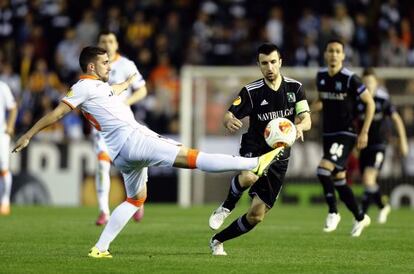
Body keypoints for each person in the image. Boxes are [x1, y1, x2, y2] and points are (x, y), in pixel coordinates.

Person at [13, 46, 283, 258]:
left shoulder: (97, 88)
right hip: (135, 139)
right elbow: (57, 113)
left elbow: (110, 92)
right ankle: (254, 162)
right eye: (106, 63)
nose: (110, 65)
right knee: (193, 158)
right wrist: (28, 134)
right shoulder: (82, 87)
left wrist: (126, 83)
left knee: (136, 199)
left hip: (121, 153)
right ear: (92, 66)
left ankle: (100, 247)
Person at [208, 43, 311, 256]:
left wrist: (298, 127)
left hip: (279, 157)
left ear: (280, 62)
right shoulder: (251, 92)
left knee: (256, 215)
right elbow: (229, 114)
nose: (270, 67)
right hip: (254, 147)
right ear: (259, 65)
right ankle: (226, 207)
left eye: (273, 62)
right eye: (264, 63)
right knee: (247, 177)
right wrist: (228, 120)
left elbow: (306, 119)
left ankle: (218, 240)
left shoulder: (295, 89)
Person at [313, 39, 375, 237]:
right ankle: (360, 217)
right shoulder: (321, 76)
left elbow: (370, 103)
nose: (333, 54)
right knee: (339, 180)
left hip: (346, 133)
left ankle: (333, 212)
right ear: (325, 54)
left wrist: (364, 131)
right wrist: (303, 112)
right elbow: (321, 102)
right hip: (328, 134)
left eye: (337, 51)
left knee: (323, 170)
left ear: (343, 56)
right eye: (330, 50)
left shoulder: (350, 79)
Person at [94, 31, 148, 226]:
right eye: (103, 41)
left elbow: (142, 89)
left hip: (124, 122)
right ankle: (104, 211)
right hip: (101, 124)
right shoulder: (93, 66)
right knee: (102, 164)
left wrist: (127, 102)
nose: (107, 44)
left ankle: (137, 199)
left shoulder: (126, 65)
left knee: (131, 162)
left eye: (110, 41)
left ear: (116, 44)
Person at [358, 68, 408, 223]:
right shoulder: (358, 102)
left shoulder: (382, 101)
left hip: (379, 145)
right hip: (364, 146)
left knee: (368, 178)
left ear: (376, 84)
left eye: (371, 83)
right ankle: (382, 206)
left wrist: (403, 141)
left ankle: (362, 214)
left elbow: (397, 120)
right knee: (368, 182)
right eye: (365, 83)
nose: (368, 86)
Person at [0, 80, 17, 215]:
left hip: (1, 134)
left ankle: (5, 201)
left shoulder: (2, 86)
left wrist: (10, 126)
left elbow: (13, 107)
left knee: (3, 169)